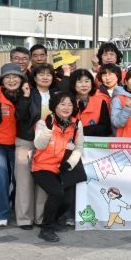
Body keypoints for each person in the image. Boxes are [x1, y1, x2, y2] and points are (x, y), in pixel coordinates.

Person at [32, 92, 85, 242]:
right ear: (54, 106)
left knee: (67, 200)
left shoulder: (77, 124)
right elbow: (38, 145)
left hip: (64, 166)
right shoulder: (44, 123)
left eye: (69, 104)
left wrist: (70, 163)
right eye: (62, 104)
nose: (66, 107)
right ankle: (46, 228)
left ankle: (53, 220)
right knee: (57, 193)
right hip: (43, 166)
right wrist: (48, 129)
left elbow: (79, 148)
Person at [13, 64, 56, 229]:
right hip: (27, 140)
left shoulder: (55, 94)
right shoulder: (27, 93)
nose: (45, 77)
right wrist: (24, 96)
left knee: (43, 182)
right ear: (35, 77)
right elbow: (20, 116)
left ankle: (40, 217)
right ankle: (24, 218)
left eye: (48, 74)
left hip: (48, 143)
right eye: (41, 74)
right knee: (25, 181)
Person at [0, 63, 26, 227]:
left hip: (18, 144)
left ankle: (18, 209)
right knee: (1, 179)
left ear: (21, 79)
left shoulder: (27, 94)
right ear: (2, 80)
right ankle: (1, 213)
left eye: (15, 76)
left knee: (20, 180)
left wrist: (26, 98)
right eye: (7, 77)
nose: (11, 80)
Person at [70, 69, 112, 137]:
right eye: (80, 82)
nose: (84, 85)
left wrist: (84, 130)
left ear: (92, 83)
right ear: (73, 84)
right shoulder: (68, 101)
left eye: (87, 81)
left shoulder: (100, 101)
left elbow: (106, 129)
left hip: (93, 144)